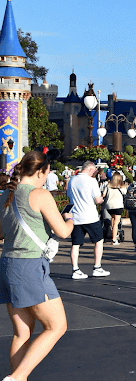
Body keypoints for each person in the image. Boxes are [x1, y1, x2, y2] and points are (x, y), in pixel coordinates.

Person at [0, 151, 74, 381]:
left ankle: (17, 377)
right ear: (40, 171)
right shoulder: (40, 194)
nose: (47, 177)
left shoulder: (5, 195)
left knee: (22, 332)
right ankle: (16, 378)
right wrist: (69, 220)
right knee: (57, 326)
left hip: (8, 263)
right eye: (47, 172)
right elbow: (62, 231)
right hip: (29, 267)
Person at [67, 161, 110, 279]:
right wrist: (102, 198)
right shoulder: (91, 181)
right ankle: (97, 267)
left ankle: (75, 269)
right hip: (90, 216)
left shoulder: (72, 180)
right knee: (98, 241)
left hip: (76, 217)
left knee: (75, 244)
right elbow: (97, 200)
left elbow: (69, 196)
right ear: (90, 169)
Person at [103, 171, 127, 245]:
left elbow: (103, 194)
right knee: (116, 222)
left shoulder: (108, 186)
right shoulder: (122, 187)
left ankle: (113, 232)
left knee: (112, 219)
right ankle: (114, 239)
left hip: (109, 206)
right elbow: (125, 193)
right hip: (118, 206)